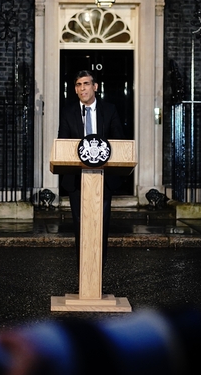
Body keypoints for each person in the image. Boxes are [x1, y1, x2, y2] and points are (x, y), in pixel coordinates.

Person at [58, 70, 125, 266]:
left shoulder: (110, 110)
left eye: (86, 84)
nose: (82, 88)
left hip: (103, 179)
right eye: (78, 85)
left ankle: (98, 274)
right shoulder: (68, 112)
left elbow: (119, 141)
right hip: (77, 180)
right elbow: (63, 143)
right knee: (81, 227)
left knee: (100, 227)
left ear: (95, 86)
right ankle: (84, 273)